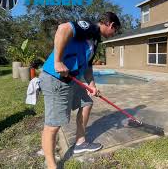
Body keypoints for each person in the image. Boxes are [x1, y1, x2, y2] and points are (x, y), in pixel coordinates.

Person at [39, 12, 121, 169]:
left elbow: (88, 66)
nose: (114, 34)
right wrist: (57, 61)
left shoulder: (95, 40)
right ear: (111, 25)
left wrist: (92, 84)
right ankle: (51, 165)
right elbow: (63, 28)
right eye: (115, 31)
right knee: (54, 124)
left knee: (87, 102)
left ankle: (80, 143)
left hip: (71, 79)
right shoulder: (89, 28)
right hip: (56, 79)